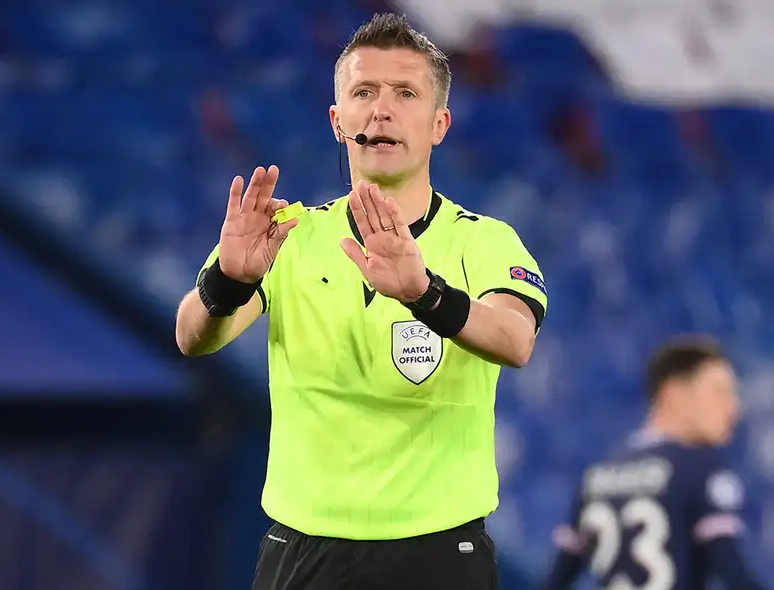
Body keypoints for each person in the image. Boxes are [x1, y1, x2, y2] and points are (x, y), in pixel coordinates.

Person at [175, 12, 548, 590]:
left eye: (406, 93)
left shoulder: (484, 240)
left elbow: (514, 339)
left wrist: (424, 293)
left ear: (439, 123)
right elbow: (192, 334)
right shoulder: (284, 234)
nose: (382, 109)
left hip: (440, 550)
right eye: (363, 92)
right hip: (304, 548)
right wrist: (228, 277)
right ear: (337, 119)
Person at [543, 337, 766, 590]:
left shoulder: (597, 474)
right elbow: (732, 571)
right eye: (719, 392)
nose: (733, 408)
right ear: (672, 393)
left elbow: (556, 580)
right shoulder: (700, 468)